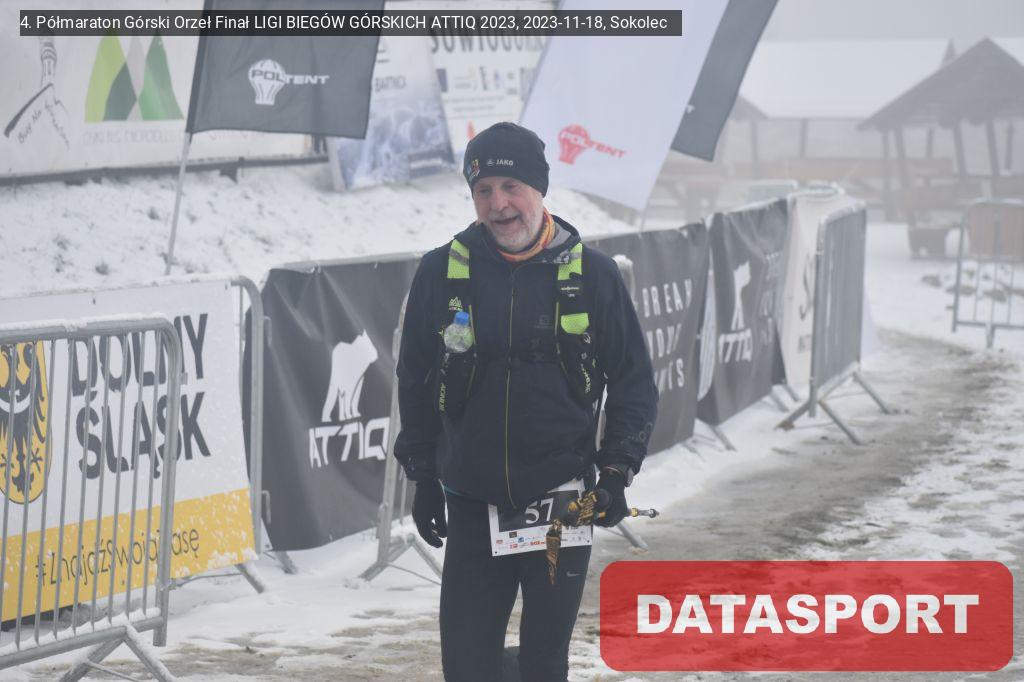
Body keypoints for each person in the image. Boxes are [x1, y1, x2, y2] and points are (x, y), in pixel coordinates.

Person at [393, 122, 658, 681]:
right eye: (483, 190)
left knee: (543, 664)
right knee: (468, 667)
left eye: (511, 186)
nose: (499, 204)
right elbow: (415, 378)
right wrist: (422, 475)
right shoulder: (441, 271)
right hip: (472, 498)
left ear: (539, 189)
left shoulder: (593, 275)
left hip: (561, 500)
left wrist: (616, 471)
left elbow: (632, 380)